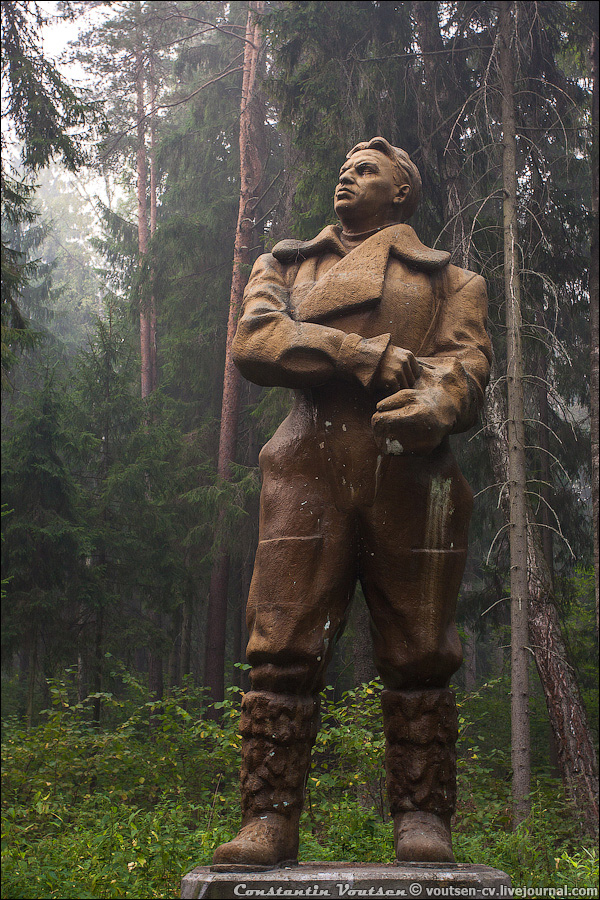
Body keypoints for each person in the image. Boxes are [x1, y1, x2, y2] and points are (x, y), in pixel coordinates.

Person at [212, 137, 491, 871]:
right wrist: (359, 354)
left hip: (412, 479)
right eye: (344, 166)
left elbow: (467, 367)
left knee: (422, 654)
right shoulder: (287, 264)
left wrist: (437, 400)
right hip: (307, 472)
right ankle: (267, 817)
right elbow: (255, 341)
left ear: (403, 192)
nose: (348, 174)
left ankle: (423, 816)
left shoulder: (453, 281)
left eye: (367, 169)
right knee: (281, 646)